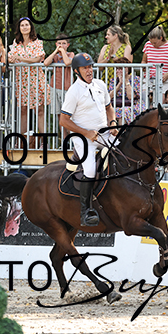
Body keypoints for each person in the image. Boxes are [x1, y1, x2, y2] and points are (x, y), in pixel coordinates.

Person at [59, 53, 118, 227]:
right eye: (85, 68)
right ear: (77, 71)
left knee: (123, 152)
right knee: (90, 169)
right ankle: (85, 211)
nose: (89, 70)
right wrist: (86, 133)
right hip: (83, 138)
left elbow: (109, 108)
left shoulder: (100, 84)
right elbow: (63, 120)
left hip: (103, 133)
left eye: (90, 66)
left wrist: (113, 123)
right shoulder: (73, 91)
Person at [8, 17, 49, 146]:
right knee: (23, 110)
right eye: (22, 25)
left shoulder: (37, 42)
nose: (25, 27)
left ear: (31, 27)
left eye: (27, 25)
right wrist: (12, 59)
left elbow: (37, 59)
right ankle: (22, 141)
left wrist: (20, 58)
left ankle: (44, 141)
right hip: (21, 80)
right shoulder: (16, 43)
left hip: (35, 79)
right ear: (19, 28)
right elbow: (11, 57)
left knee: (39, 110)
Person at [44, 33, 74, 139]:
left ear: (68, 45)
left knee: (68, 115)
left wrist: (63, 52)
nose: (61, 45)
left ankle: (73, 140)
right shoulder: (55, 56)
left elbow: (67, 62)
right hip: (55, 87)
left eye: (64, 43)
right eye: (59, 43)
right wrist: (55, 51)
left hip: (67, 88)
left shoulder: (71, 54)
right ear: (56, 44)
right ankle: (64, 140)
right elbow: (46, 63)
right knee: (59, 115)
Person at [141, 26, 168, 100]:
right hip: (149, 79)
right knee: (145, 99)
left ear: (161, 38)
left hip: (165, 80)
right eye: (151, 42)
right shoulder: (148, 45)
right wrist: (143, 66)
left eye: (155, 43)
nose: (153, 45)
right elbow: (144, 60)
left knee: (161, 101)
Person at [107, 57, 144, 124]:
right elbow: (109, 97)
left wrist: (126, 81)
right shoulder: (113, 80)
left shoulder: (136, 79)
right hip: (117, 104)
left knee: (124, 112)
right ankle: (111, 130)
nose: (119, 71)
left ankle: (123, 130)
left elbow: (131, 97)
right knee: (108, 111)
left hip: (133, 105)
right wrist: (119, 83)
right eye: (117, 69)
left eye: (121, 69)